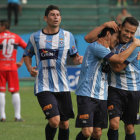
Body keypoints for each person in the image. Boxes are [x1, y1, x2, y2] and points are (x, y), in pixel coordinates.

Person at [23, 5, 83, 140]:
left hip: (63, 85)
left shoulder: (68, 36)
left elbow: (74, 57)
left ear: (60, 18)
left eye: (58, 15)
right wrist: (29, 67)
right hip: (43, 85)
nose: (56, 17)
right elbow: (27, 54)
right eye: (52, 14)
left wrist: (79, 59)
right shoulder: (35, 37)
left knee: (64, 123)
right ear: (45, 18)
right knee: (54, 120)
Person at [75, 24, 140, 140]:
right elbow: (119, 60)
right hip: (87, 93)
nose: (117, 42)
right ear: (108, 34)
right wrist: (135, 45)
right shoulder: (97, 47)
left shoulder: (109, 50)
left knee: (97, 133)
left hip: (102, 95)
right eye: (116, 38)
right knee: (87, 132)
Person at [0, 19, 27, 122]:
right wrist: (21, 61)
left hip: (1, 67)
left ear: (3, 26)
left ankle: (2, 116)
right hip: (12, 67)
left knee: (1, 91)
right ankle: (17, 116)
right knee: (15, 91)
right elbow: (28, 48)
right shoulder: (16, 37)